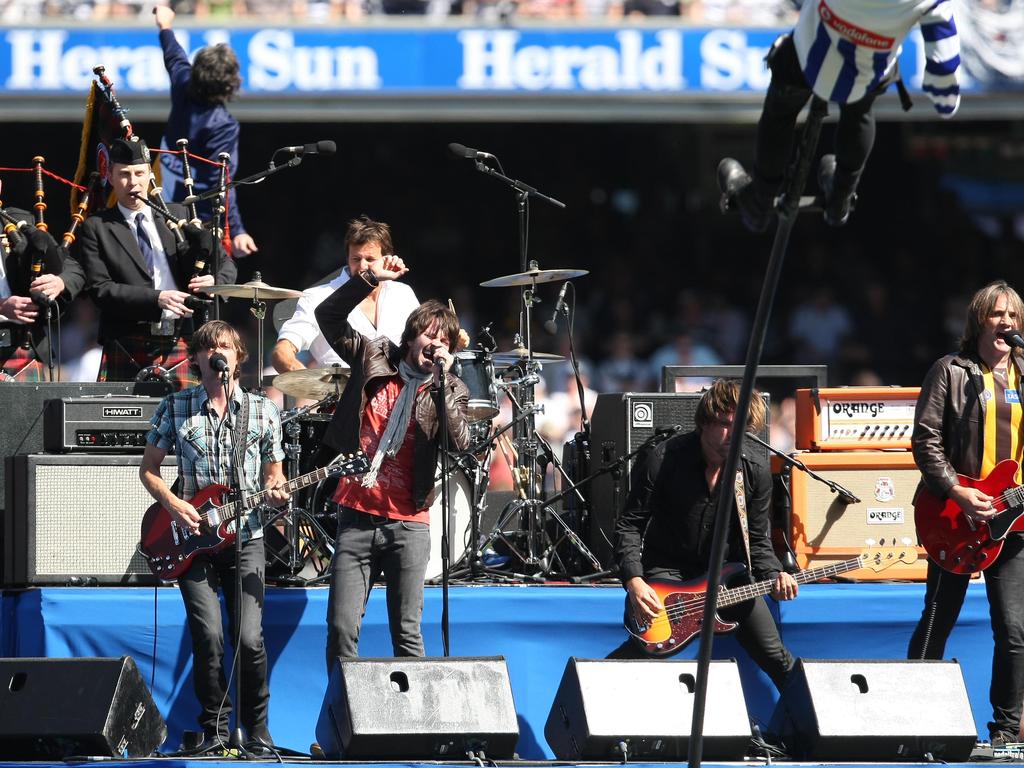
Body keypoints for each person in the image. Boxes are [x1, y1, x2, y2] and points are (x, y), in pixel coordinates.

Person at [314, 253, 471, 667]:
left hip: (408, 523)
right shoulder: (375, 356)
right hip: (357, 516)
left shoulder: (450, 389)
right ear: (412, 334)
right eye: (429, 335)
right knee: (342, 631)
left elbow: (459, 446)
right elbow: (327, 315)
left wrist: (441, 385)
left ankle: (413, 729)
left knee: (407, 633)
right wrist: (370, 279)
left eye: (444, 340)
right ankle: (337, 729)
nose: (435, 343)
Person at [139, 319, 288, 752]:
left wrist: (277, 495)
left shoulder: (263, 411)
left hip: (247, 535)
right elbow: (148, 469)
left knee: (248, 637)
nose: (215, 352)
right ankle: (216, 729)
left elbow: (274, 477)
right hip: (192, 540)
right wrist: (173, 504)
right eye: (208, 347)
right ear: (198, 358)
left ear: (237, 356)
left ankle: (257, 729)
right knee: (208, 636)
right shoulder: (176, 405)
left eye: (224, 346)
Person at [612, 379, 798, 688]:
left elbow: (758, 539)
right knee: (648, 651)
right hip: (668, 573)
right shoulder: (663, 458)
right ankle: (597, 697)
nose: (733, 436)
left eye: (742, 427)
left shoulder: (754, 469)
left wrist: (775, 574)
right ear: (705, 421)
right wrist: (634, 581)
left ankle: (807, 733)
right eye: (726, 425)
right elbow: (629, 525)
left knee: (778, 658)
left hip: (729, 578)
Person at [721, 0, 960, 231]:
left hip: (809, 59)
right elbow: (944, 68)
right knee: (862, 107)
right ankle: (840, 198)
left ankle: (759, 202)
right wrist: (946, 99)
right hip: (867, 73)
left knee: (780, 110)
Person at [908, 280, 1024, 747]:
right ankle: (912, 719)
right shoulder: (951, 371)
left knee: (1014, 628)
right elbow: (925, 440)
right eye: (998, 314)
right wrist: (957, 491)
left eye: (1014, 316)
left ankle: (1007, 730)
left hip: (1013, 519)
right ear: (979, 319)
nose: (1007, 323)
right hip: (955, 515)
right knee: (940, 616)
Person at [77, 137, 237, 390]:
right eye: (124, 174)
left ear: (150, 175)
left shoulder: (177, 216)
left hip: (182, 336)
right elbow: (100, 289)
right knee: (124, 426)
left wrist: (216, 280)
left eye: (140, 173)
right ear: (110, 176)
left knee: (188, 423)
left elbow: (224, 262)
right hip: (127, 339)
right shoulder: (96, 227)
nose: (133, 182)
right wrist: (156, 298)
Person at [154, 6, 257, 257]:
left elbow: (174, 55)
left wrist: (165, 25)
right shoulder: (223, 125)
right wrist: (237, 231)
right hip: (193, 222)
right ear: (230, 84)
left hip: (157, 202)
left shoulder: (182, 82)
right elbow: (222, 184)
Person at [271, 216, 419, 376]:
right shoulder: (318, 296)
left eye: (370, 259)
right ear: (347, 258)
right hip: (344, 396)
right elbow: (282, 352)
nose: (362, 266)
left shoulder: (403, 293)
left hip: (400, 394)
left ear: (386, 258)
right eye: (356, 259)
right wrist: (311, 384)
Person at [0, 208, 86, 379]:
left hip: (24, 346)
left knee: (31, 406)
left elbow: (73, 269)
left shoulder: (17, 221)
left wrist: (60, 282)